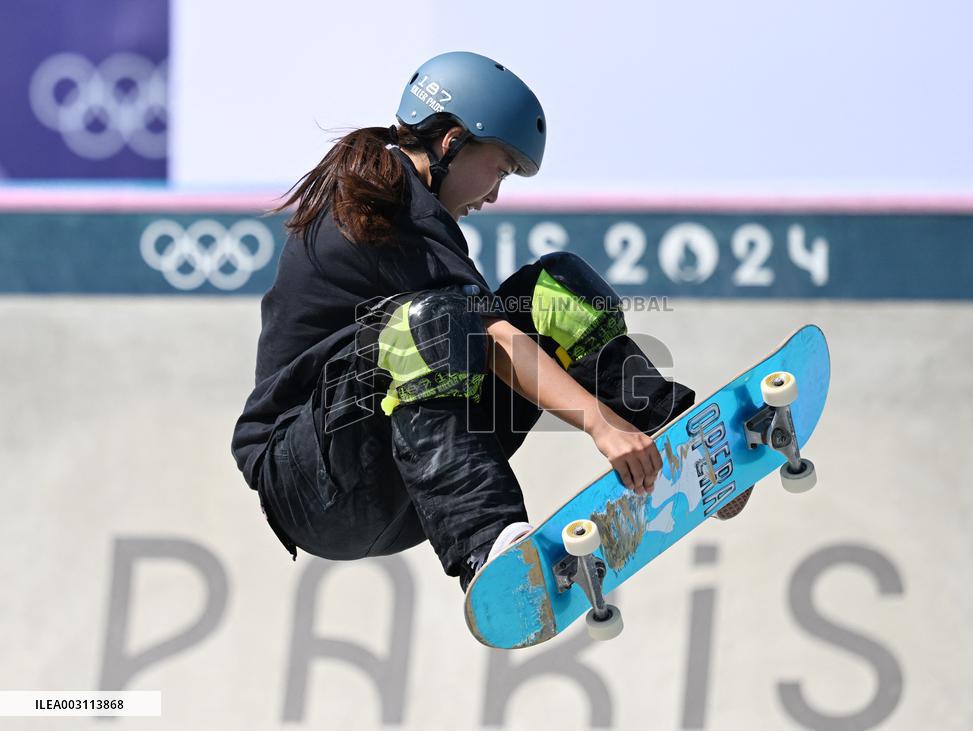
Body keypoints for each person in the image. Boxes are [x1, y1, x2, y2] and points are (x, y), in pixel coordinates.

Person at [231, 51, 750, 592]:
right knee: (431, 323)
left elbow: (495, 331)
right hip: (313, 480)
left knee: (555, 289)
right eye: (499, 169)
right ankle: (489, 546)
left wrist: (617, 420)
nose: (495, 194)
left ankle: (678, 439)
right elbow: (490, 336)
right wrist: (600, 424)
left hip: (403, 478)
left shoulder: (414, 208)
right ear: (452, 142)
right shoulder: (377, 201)